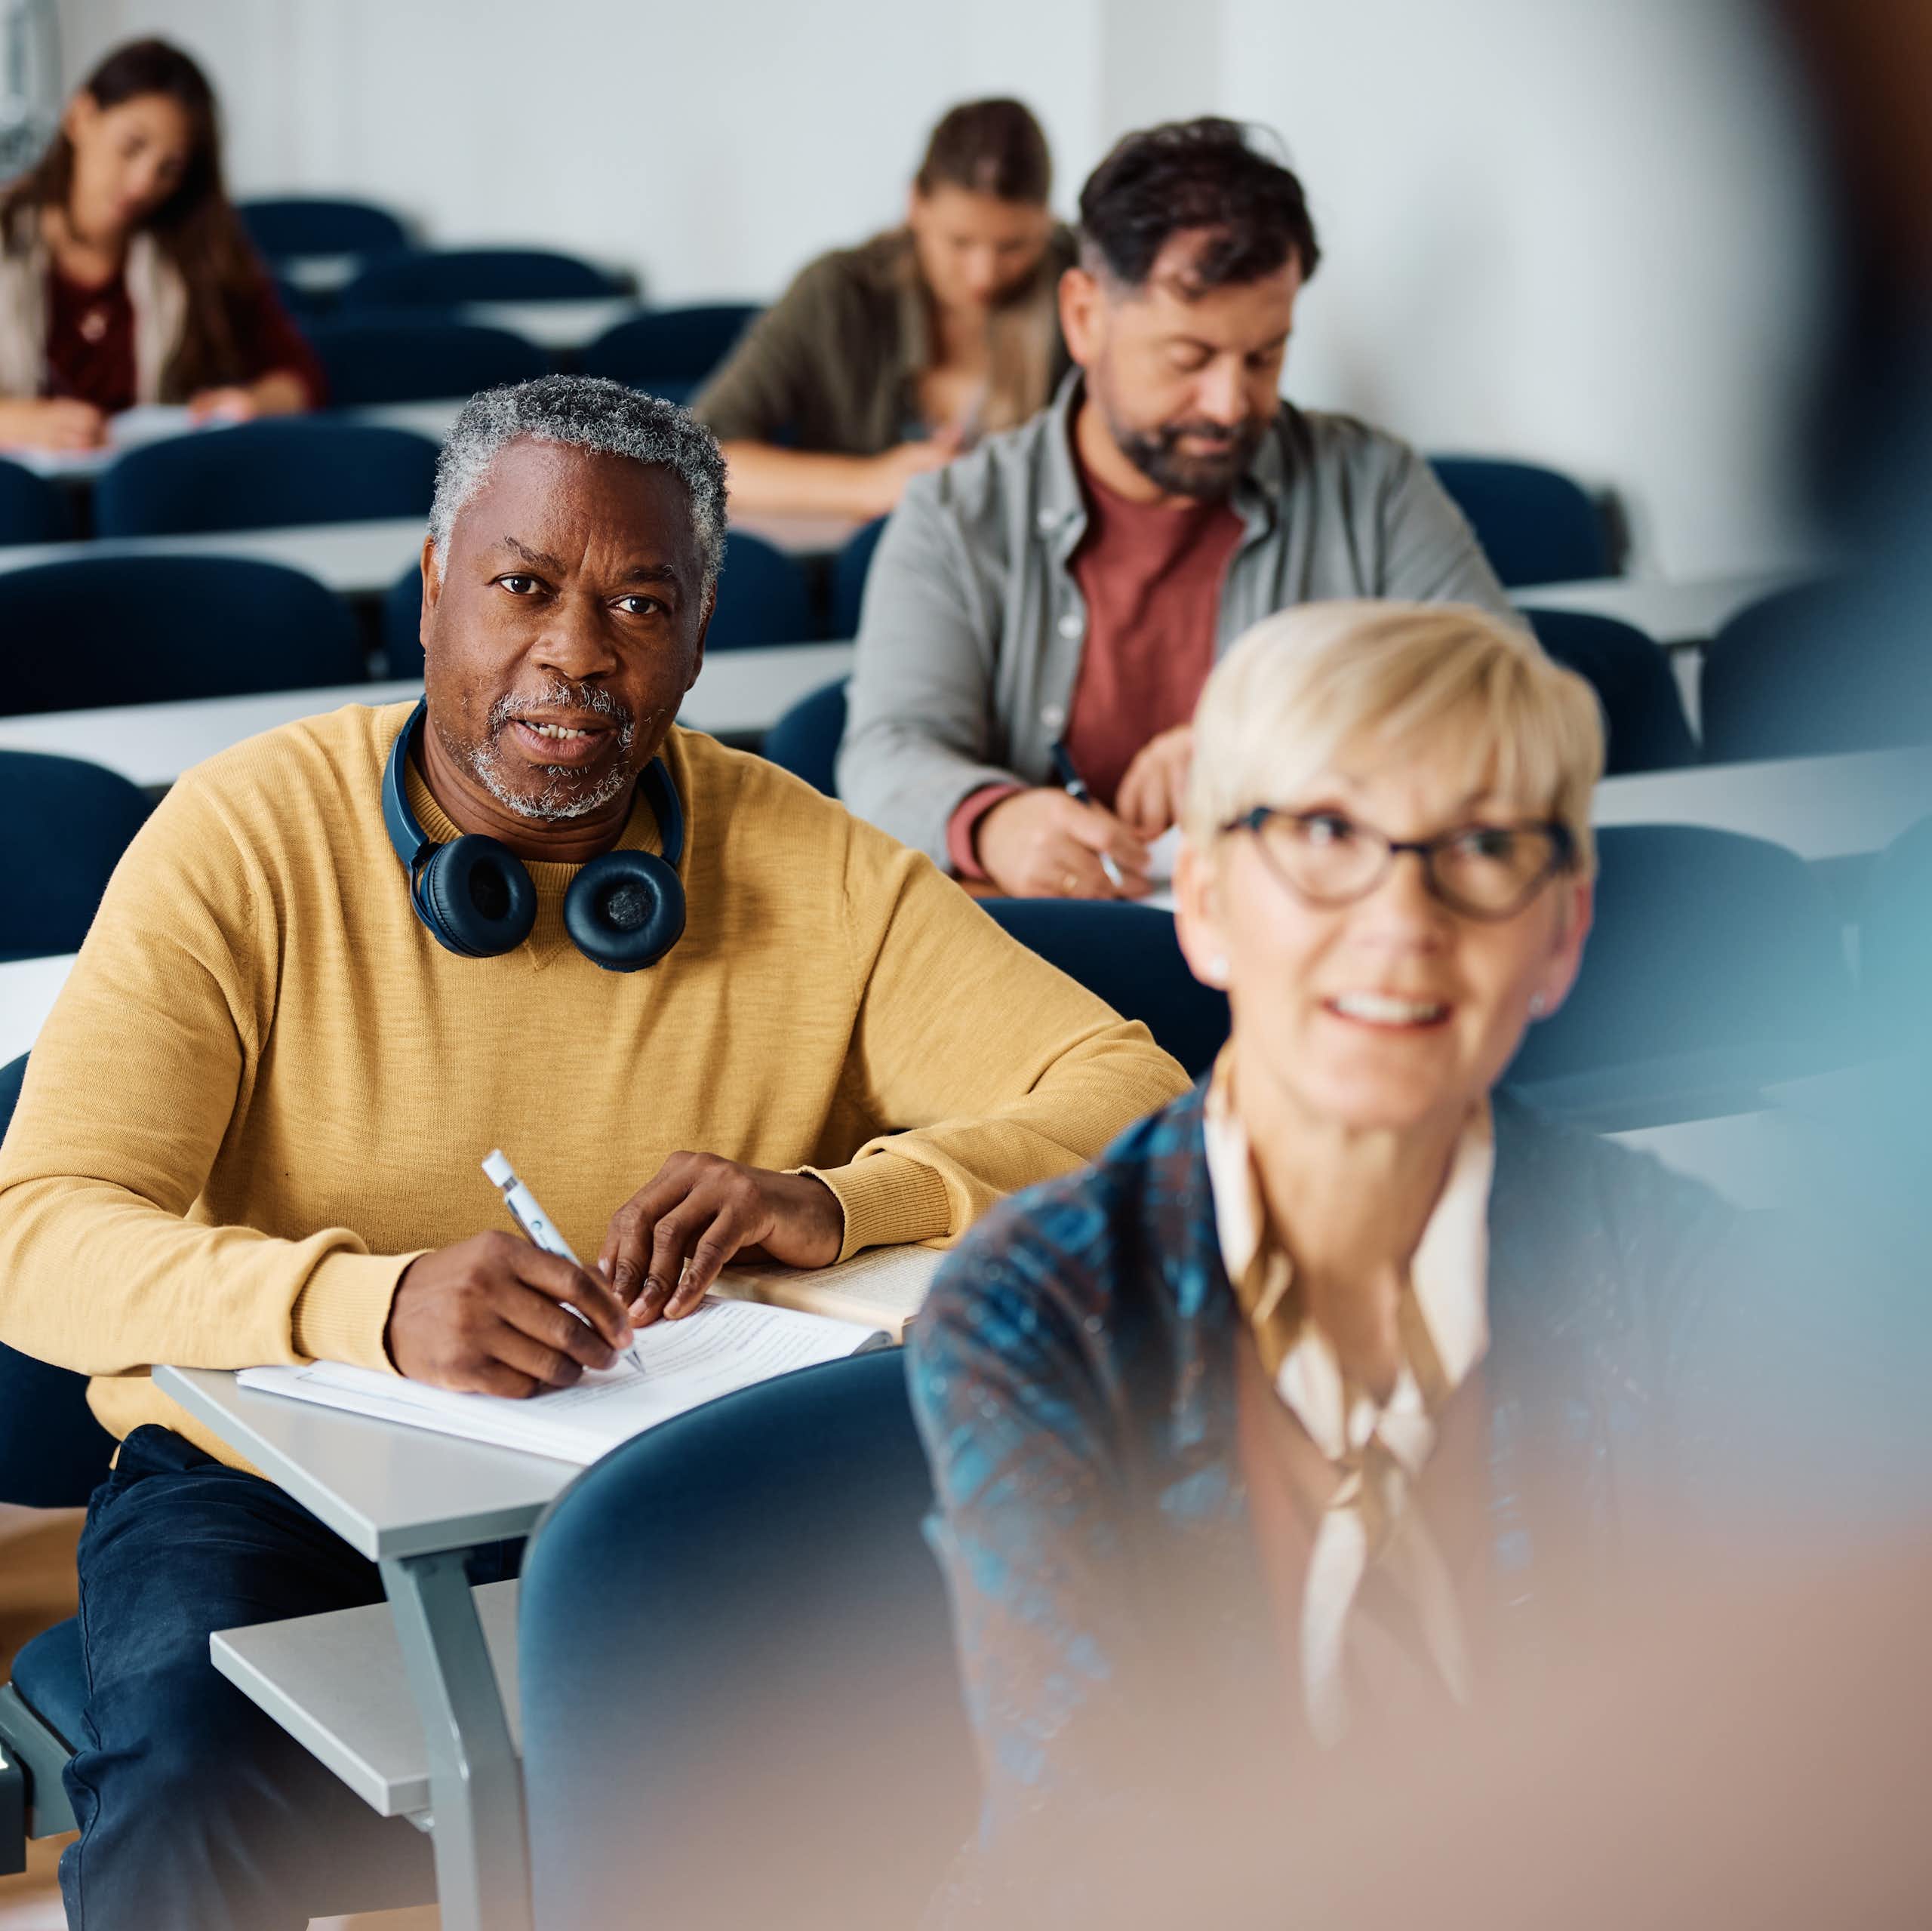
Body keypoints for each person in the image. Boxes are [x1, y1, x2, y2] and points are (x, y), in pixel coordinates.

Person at [0, 374, 1186, 1929]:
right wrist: (376, 1302)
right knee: (192, 1787)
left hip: (671, 1472)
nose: (576, 647)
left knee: (916, 1733)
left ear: (697, 637)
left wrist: (840, 1198)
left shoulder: (807, 857)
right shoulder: (244, 838)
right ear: (432, 589)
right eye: (522, 584)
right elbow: (35, 1232)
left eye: (640, 599)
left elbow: (1131, 1092)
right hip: (264, 1485)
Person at [905, 602, 1739, 1926]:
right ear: (1208, 902)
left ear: (1561, 933)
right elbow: (1099, 1850)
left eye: (1481, 845)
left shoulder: (1684, 1270)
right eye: (1327, 836)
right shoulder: (1036, 1306)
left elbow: (1765, 1774)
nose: (1402, 919)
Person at [838, 118, 1514, 900]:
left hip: (1311, 943)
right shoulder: (954, 516)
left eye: (1265, 357)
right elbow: (888, 749)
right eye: (1188, 359)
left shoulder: (1373, 486)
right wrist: (993, 821)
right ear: (1085, 317)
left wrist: (1269, 749)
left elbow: (1503, 694)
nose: (1230, 405)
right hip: (1053, 967)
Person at [694, 97, 1072, 519]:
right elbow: (696, 456)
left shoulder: (1084, 284)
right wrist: (868, 483)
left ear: (1047, 221)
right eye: (959, 243)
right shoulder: (839, 292)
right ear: (916, 205)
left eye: (1013, 247)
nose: (983, 274)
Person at [0, 37, 323, 454]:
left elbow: (299, 377)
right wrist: (13, 420)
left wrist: (252, 405)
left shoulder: (197, 251)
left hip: (163, 508)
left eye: (168, 169)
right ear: (81, 118)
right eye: (131, 147)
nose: (142, 184)